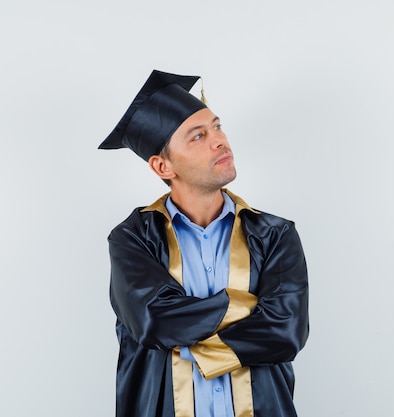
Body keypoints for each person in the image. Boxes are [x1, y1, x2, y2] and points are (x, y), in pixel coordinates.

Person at [98, 69, 309, 417]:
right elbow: (155, 321)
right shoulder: (133, 238)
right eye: (197, 136)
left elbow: (286, 331)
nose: (219, 141)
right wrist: (246, 304)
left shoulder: (274, 234)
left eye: (217, 126)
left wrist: (188, 343)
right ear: (163, 166)